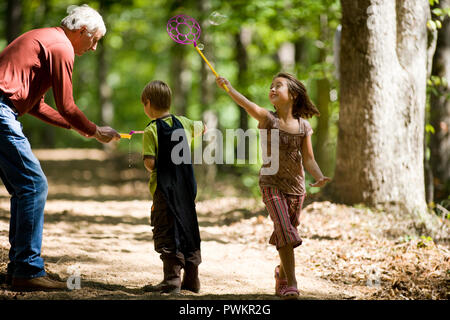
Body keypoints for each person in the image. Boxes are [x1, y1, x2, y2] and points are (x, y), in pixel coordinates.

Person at [0, 4, 120, 291]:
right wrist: (93, 130)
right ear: (82, 31)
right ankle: (27, 270)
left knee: (24, 187)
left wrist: (79, 129)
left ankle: (20, 267)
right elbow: (66, 105)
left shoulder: (46, 39)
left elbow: (37, 104)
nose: (93, 48)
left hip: (7, 110)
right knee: (33, 185)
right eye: (95, 40)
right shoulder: (61, 46)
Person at [216, 72, 330, 299]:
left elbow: (308, 159)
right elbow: (247, 104)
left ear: (294, 95)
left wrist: (319, 176)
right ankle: (292, 283)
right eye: (271, 86)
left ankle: (281, 272)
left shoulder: (303, 126)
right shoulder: (268, 119)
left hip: (296, 189)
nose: (273, 89)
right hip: (271, 185)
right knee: (286, 231)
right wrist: (229, 87)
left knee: (287, 232)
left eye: (279, 86)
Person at [140, 80, 206, 294]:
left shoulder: (151, 131)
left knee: (166, 229)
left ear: (148, 103)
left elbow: (150, 163)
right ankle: (192, 280)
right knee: (188, 227)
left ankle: (171, 280)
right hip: (187, 188)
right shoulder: (184, 122)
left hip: (164, 191)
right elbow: (203, 127)